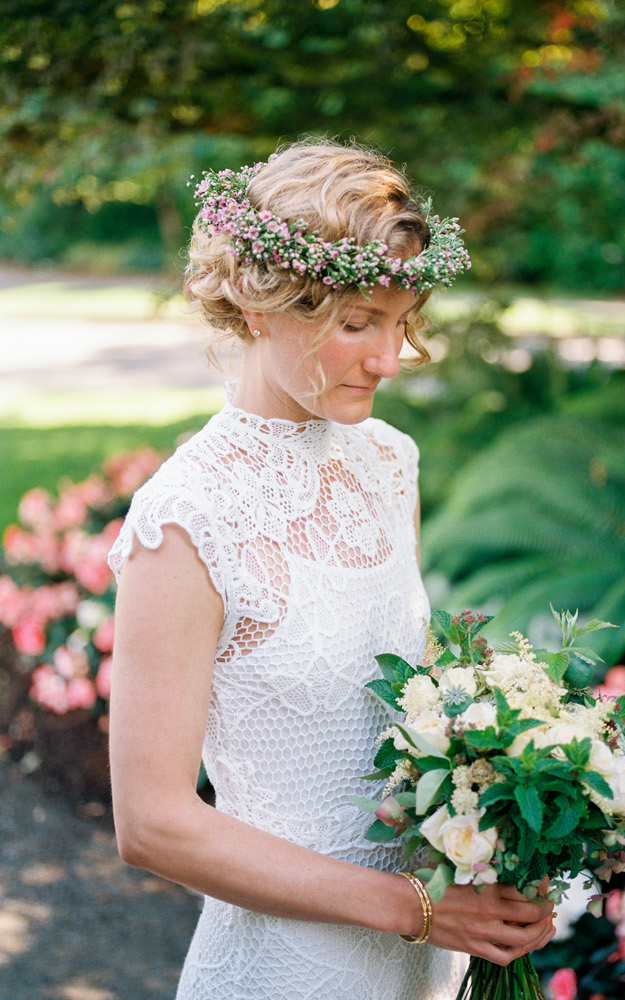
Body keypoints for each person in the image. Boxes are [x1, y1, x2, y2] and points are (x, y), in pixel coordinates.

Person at [106, 140, 555, 999]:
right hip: (288, 970)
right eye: (357, 323)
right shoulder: (185, 519)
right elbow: (153, 825)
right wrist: (415, 908)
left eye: (400, 320)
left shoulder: (389, 463)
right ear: (261, 305)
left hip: (429, 966)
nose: (390, 359)